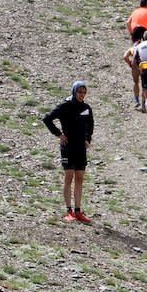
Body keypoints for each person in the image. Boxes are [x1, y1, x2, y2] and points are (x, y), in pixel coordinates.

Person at [43, 82, 94, 223]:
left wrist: (88, 139)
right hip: (68, 147)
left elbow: (90, 125)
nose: (82, 95)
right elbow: (47, 119)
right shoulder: (65, 106)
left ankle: (78, 211)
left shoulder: (86, 108)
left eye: (84, 92)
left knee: (80, 179)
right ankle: (68, 210)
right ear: (74, 92)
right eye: (80, 92)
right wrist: (59, 135)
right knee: (68, 178)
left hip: (81, 149)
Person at [122, 38, 143, 109]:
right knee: (144, 85)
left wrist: (130, 64)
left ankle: (136, 100)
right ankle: (144, 103)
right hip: (144, 66)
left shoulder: (132, 49)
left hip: (135, 66)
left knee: (136, 82)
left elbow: (125, 57)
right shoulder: (143, 48)